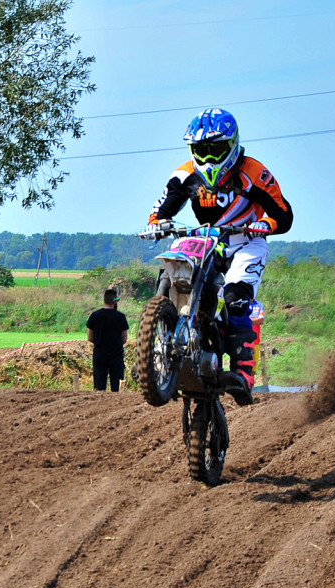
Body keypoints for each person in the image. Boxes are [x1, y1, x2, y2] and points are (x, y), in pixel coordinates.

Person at [140, 108, 293, 406]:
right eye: (201, 150)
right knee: (173, 267)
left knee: (236, 297)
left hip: (245, 241)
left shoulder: (253, 172)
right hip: (205, 239)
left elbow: (283, 214)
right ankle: (153, 354)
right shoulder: (185, 174)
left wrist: (266, 224)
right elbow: (161, 209)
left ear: (232, 144)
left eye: (215, 149)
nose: (208, 158)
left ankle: (243, 373)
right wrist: (157, 222)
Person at [87, 288, 129, 392]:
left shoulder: (95, 315)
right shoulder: (121, 317)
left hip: (99, 354)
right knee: (117, 388)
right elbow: (124, 338)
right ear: (115, 301)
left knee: (99, 388)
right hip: (116, 355)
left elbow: (90, 337)